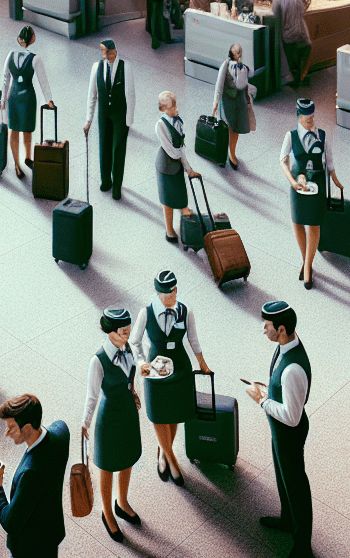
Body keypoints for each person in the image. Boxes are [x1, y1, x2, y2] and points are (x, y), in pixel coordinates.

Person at [245, 301, 314, 558]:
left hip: (289, 432)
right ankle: (288, 520)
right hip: (280, 431)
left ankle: (303, 546)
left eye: (268, 325)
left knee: (296, 485)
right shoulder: (286, 344)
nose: (264, 329)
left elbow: (292, 417)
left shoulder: (293, 369)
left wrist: (261, 400)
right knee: (283, 477)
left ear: (282, 329)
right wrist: (269, 391)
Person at [130, 270, 210, 488]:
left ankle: (163, 454)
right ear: (157, 293)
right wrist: (141, 363)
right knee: (158, 415)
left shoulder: (185, 311)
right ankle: (171, 459)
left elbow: (193, 339)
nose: (170, 297)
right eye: (165, 295)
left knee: (173, 414)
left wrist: (202, 364)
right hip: (154, 369)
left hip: (179, 368)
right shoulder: (146, 313)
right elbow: (134, 342)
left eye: (173, 292)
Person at [81, 306, 142, 543]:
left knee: (126, 459)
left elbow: (133, 372)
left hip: (127, 413)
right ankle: (107, 512)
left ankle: (122, 502)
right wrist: (85, 423)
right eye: (123, 332)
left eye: (128, 331)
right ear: (111, 333)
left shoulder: (128, 350)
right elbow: (92, 396)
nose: (127, 336)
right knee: (107, 466)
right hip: (108, 419)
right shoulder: (98, 360)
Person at [0, 394, 69, 558]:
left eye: (11, 427)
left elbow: (11, 523)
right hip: (51, 531)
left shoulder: (31, 473)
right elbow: (58, 425)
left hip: (30, 547)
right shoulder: (61, 432)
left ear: (28, 427)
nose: (7, 433)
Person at [280, 99, 343, 290]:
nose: (310, 123)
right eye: (306, 120)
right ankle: (305, 261)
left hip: (317, 183)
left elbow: (329, 162)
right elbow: (283, 160)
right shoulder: (290, 136)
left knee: (314, 223)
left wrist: (335, 179)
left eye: (312, 119)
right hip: (298, 184)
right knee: (298, 222)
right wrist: (292, 182)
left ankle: (307, 268)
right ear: (299, 117)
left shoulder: (322, 135)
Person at [83, 38, 136, 201]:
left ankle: (117, 186)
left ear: (114, 51)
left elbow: (131, 95)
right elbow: (92, 94)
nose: (103, 54)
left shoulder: (125, 67)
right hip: (104, 113)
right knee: (104, 146)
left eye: (105, 51)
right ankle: (106, 180)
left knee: (118, 150)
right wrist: (88, 119)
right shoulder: (96, 67)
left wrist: (129, 121)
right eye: (102, 51)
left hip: (120, 114)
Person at [1, 26, 54, 179]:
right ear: (31, 39)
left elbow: (6, 79)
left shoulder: (10, 55)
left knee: (18, 130)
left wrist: (3, 98)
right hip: (27, 97)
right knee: (24, 130)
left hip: (14, 96)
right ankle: (22, 161)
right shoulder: (35, 58)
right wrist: (49, 99)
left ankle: (22, 161)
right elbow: (42, 80)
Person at [154, 91, 197, 244]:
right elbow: (172, 151)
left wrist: (189, 169)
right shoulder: (160, 125)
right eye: (172, 107)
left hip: (176, 165)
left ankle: (187, 224)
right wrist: (185, 165)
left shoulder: (178, 121)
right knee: (167, 201)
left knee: (180, 196)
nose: (176, 109)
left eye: (176, 105)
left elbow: (180, 147)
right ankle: (169, 230)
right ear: (164, 109)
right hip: (165, 166)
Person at [212, 43, 252, 169]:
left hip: (239, 100)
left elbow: (243, 84)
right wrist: (215, 103)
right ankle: (228, 152)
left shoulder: (243, 67)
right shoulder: (226, 64)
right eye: (236, 52)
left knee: (236, 128)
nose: (239, 53)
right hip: (228, 100)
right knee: (230, 127)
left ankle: (232, 151)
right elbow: (219, 85)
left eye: (240, 51)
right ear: (232, 53)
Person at [278, 0, 312, 88]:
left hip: (289, 37)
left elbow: (280, 20)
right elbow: (302, 11)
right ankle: (301, 76)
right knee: (303, 52)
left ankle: (294, 79)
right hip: (301, 36)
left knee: (291, 57)